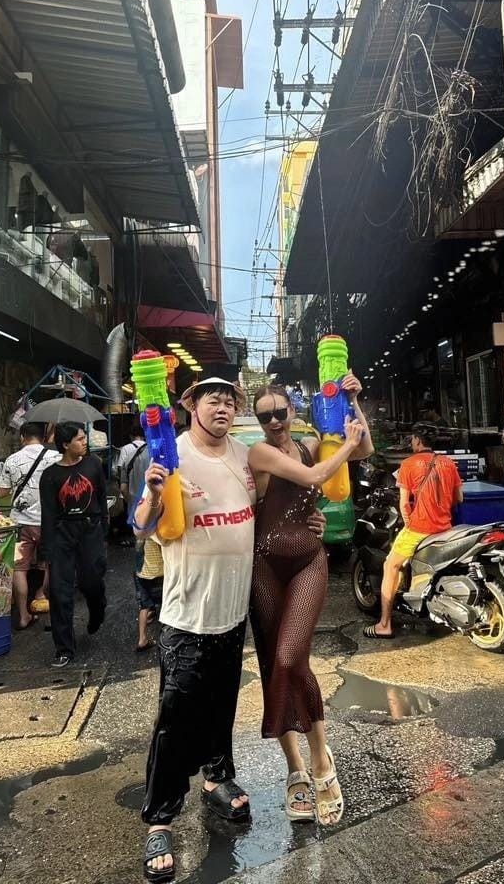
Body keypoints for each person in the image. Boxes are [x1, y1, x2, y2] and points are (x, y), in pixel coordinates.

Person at [133, 377, 326, 882]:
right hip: (186, 615)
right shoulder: (169, 455)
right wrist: (152, 496)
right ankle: (160, 819)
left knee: (222, 705)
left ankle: (217, 779)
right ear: (190, 406)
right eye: (211, 400)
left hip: (233, 611)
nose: (221, 407)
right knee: (176, 719)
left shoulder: (244, 455)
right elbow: (140, 524)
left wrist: (311, 521)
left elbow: (275, 506)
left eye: (228, 401)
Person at [248, 378, 372, 826]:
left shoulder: (312, 444)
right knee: (275, 664)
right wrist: (344, 446)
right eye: (265, 415)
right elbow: (316, 477)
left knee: (289, 657)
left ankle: (321, 760)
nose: (274, 421)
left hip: (307, 561)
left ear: (293, 411)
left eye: (280, 412)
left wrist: (353, 403)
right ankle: (296, 769)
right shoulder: (260, 453)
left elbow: (364, 449)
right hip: (264, 566)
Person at [365, 423, 463, 640]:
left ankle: (384, 624)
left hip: (420, 529)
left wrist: (410, 524)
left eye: (412, 439)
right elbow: (459, 498)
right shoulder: (448, 463)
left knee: (390, 565)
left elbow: (403, 505)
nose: (411, 443)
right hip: (445, 528)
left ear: (417, 441)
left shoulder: (408, 464)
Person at [39, 423, 108, 668]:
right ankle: (64, 648)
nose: (84, 442)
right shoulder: (50, 476)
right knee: (60, 592)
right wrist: (47, 550)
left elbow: (101, 497)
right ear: (66, 444)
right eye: (79, 439)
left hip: (90, 530)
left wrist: (103, 529)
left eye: (84, 437)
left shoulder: (93, 465)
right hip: (62, 533)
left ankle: (97, 609)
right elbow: (48, 514)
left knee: (92, 581)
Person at [0, 422, 61, 629]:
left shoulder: (12, 459)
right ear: (43, 437)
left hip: (21, 524)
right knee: (50, 565)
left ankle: (23, 615)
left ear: (22, 437)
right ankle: (46, 607)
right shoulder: (56, 457)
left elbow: (2, 492)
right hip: (48, 523)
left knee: (19, 568)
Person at [119, 430, 162, 653]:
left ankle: (142, 636)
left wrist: (131, 504)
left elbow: (122, 484)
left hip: (142, 569)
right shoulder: (162, 459)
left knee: (144, 601)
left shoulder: (125, 452)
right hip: (161, 569)